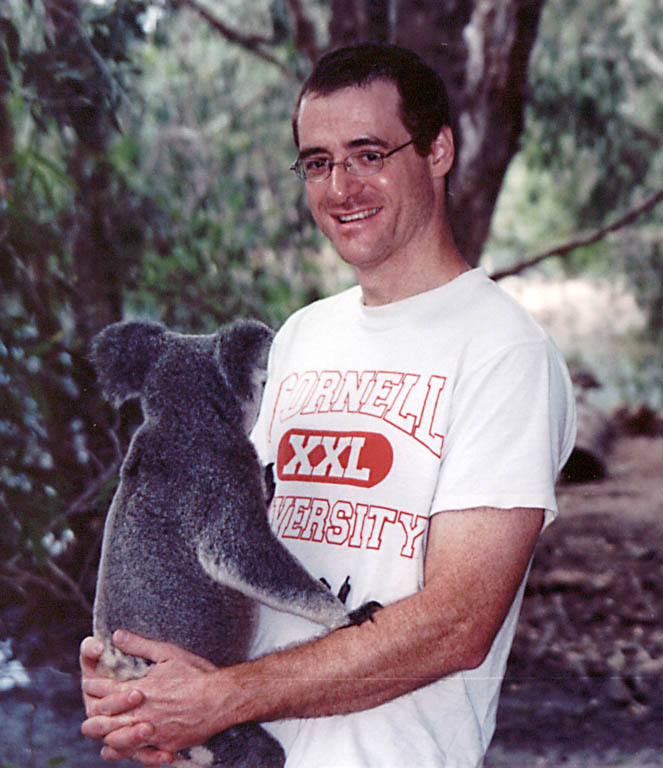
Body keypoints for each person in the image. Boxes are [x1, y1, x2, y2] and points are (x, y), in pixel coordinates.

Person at [80, 43, 577, 768]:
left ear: (438, 150)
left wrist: (224, 699)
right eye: (317, 162)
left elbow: (458, 623)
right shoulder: (302, 336)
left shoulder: (503, 351)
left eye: (368, 154)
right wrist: (142, 690)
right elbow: (230, 534)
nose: (340, 185)